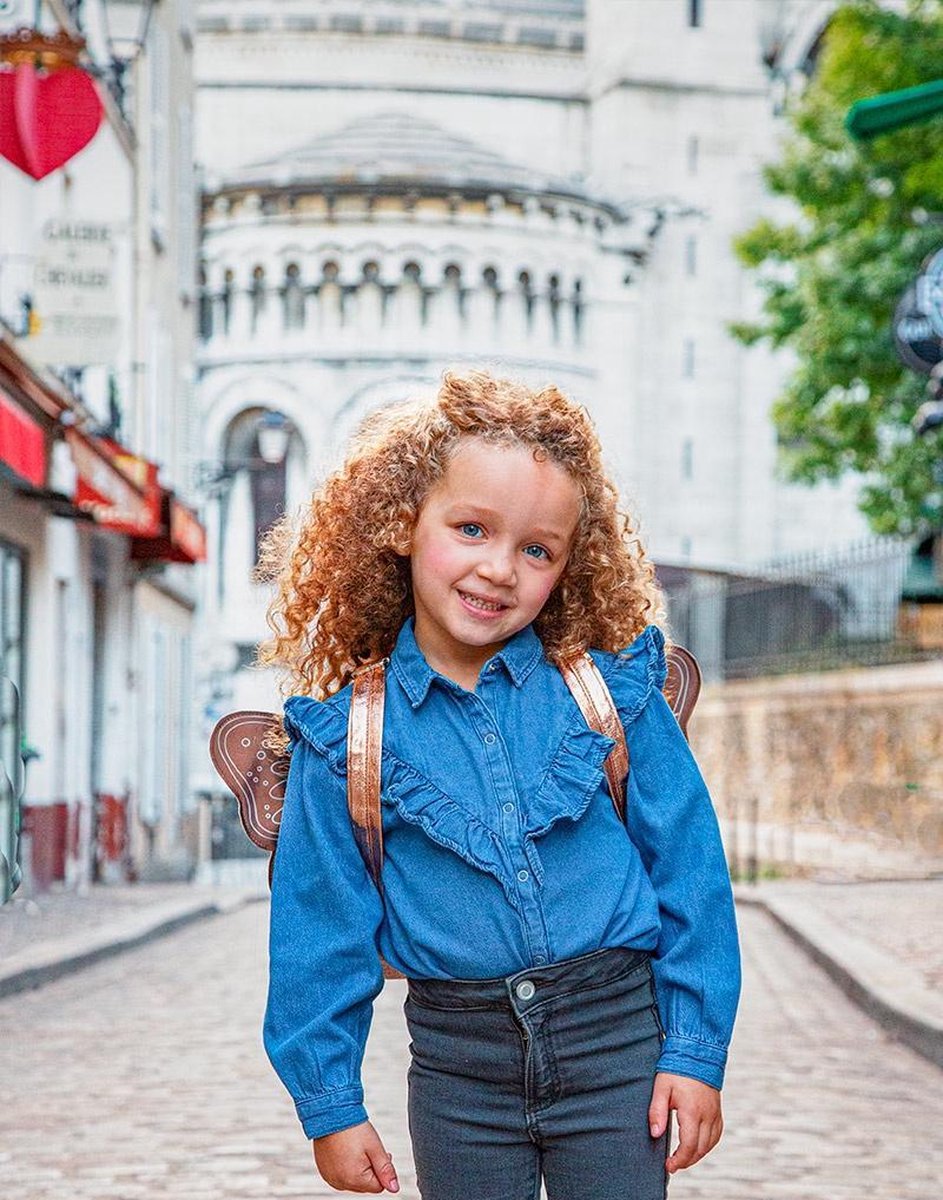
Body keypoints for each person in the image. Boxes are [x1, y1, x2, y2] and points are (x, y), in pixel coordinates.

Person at [258, 369, 741, 1199]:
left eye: (536, 549)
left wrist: (692, 1052)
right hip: (458, 1073)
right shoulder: (346, 739)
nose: (499, 570)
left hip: (617, 1044)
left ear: (567, 565)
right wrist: (330, 1107)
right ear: (403, 522)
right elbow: (318, 928)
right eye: (472, 528)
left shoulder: (607, 697)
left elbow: (690, 876)